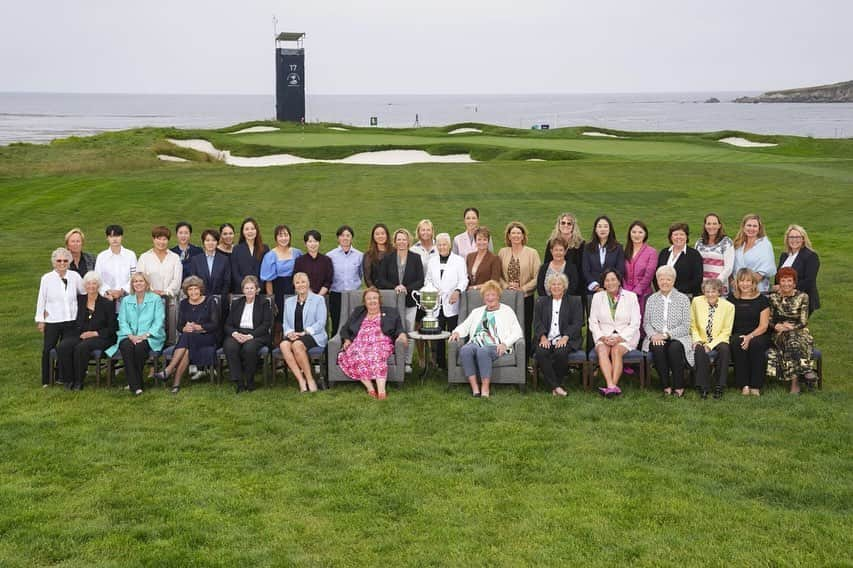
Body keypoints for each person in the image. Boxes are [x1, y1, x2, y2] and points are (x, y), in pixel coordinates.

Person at [449, 280, 524, 398]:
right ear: (483, 298)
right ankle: (475, 388)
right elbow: (465, 325)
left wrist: (505, 343)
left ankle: (485, 387)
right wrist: (457, 332)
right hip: (476, 342)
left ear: (498, 296)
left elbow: (517, 331)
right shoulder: (477, 311)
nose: (490, 298)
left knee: (483, 351)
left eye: (493, 295)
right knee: (465, 350)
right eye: (487, 295)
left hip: (496, 345)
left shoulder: (507, 310)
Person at [337, 287, 408, 400]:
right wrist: (347, 340)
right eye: (369, 299)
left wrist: (402, 335)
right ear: (364, 302)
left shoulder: (391, 312)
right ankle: (370, 388)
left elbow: (399, 328)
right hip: (360, 343)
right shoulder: (358, 312)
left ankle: (381, 391)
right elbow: (344, 329)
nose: (372, 301)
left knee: (377, 355)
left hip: (380, 342)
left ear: (379, 300)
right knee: (354, 355)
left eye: (375, 298)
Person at [153, 276, 220, 394]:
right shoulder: (184, 303)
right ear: (186, 291)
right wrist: (184, 328)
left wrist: (200, 327)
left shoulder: (210, 301)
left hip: (207, 337)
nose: (193, 292)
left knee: (187, 337)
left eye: (196, 288)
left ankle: (168, 370)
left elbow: (215, 324)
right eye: (190, 289)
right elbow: (179, 326)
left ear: (201, 289)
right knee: (188, 347)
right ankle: (176, 383)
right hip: (190, 339)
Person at [106, 272, 166, 396]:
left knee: (139, 348)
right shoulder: (126, 300)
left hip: (150, 336)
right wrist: (130, 335)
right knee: (126, 346)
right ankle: (137, 385)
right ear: (132, 284)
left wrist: (146, 335)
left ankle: (133, 384)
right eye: (135, 281)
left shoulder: (155, 299)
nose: (138, 283)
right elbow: (122, 321)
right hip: (128, 335)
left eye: (141, 281)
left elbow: (159, 320)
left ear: (146, 283)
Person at [56, 271, 117, 390]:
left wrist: (95, 333)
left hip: (101, 337)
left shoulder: (107, 304)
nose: (91, 286)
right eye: (88, 283)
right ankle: (68, 380)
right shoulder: (79, 300)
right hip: (80, 334)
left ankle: (79, 381)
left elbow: (112, 328)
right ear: (84, 286)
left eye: (94, 283)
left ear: (98, 285)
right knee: (64, 346)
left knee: (82, 347)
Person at [377, 228, 424, 371]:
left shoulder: (415, 258)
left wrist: (406, 288)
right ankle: (393, 360)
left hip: (410, 301)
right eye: (399, 239)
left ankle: (407, 362)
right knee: (392, 331)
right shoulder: (387, 258)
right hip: (393, 302)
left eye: (404, 239)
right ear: (395, 241)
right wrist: (395, 287)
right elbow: (381, 279)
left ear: (408, 241)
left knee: (409, 330)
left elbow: (420, 280)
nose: (401, 242)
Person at [35, 248, 84, 387]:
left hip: (71, 320)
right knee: (48, 349)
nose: (62, 263)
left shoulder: (75, 276)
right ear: (54, 262)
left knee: (65, 348)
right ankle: (46, 380)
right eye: (59, 261)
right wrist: (40, 320)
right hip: (53, 321)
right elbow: (41, 300)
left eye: (65, 260)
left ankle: (63, 377)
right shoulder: (46, 278)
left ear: (69, 261)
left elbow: (84, 293)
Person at [588, 269, 641, 398]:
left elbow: (635, 321)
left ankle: (611, 386)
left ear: (619, 281)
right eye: (607, 280)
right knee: (602, 350)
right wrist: (602, 337)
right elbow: (593, 321)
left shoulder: (631, 296)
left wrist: (620, 338)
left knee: (616, 350)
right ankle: (611, 386)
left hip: (625, 336)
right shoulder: (597, 297)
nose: (610, 283)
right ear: (603, 284)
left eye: (613, 279)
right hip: (604, 335)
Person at [643, 266, 693, 397]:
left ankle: (679, 386)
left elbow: (686, 325)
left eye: (668, 279)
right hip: (656, 337)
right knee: (657, 347)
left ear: (674, 281)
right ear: (657, 281)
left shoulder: (683, 299)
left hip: (678, 336)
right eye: (661, 279)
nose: (664, 282)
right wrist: (653, 335)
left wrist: (666, 335)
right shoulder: (651, 299)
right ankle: (666, 385)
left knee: (674, 348)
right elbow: (646, 323)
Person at [767, 267, 818, 394]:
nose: (786, 284)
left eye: (789, 280)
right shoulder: (773, 297)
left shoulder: (803, 297)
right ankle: (806, 370)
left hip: (799, 331)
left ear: (794, 283)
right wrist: (776, 326)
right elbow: (769, 319)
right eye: (783, 280)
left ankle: (795, 384)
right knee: (791, 339)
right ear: (779, 282)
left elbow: (803, 321)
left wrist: (791, 328)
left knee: (793, 339)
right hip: (779, 333)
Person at [533, 273, 583, 396]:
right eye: (553, 284)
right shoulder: (541, 301)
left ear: (564, 286)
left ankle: (555, 385)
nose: (556, 287)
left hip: (566, 338)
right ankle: (557, 386)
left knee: (561, 351)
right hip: (547, 338)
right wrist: (543, 338)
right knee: (541, 351)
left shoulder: (574, 301)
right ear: (549, 287)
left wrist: (565, 337)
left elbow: (577, 323)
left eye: (559, 284)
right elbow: (537, 322)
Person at [498, 221, 541, 361]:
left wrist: (523, 289)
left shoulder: (532, 253)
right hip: (507, 298)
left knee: (525, 329)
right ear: (509, 236)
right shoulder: (502, 252)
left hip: (525, 297)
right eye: (513, 233)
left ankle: (525, 360)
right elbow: (497, 274)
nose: (516, 236)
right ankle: (508, 358)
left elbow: (537, 277)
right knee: (506, 328)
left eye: (519, 233)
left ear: (523, 236)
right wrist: (506, 287)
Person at [425, 233, 468, 369]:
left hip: (452, 302)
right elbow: (428, 279)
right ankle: (440, 364)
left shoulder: (459, 260)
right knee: (438, 335)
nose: (442, 247)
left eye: (444, 244)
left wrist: (457, 291)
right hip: (437, 303)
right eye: (439, 245)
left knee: (453, 333)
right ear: (436, 246)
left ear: (449, 245)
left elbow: (464, 279)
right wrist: (432, 289)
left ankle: (454, 362)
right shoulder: (432, 261)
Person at [280, 272, 328, 393]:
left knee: (297, 345)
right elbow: (285, 322)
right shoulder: (289, 302)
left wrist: (305, 332)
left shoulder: (318, 299)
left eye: (303, 282)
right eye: (297, 282)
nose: (301, 285)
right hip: (294, 334)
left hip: (313, 335)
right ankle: (301, 380)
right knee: (283, 345)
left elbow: (321, 322)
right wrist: (290, 332)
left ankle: (310, 379)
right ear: (294, 285)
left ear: (308, 283)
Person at [223, 275, 272, 393]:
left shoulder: (264, 302)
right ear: (243, 290)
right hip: (238, 332)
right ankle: (239, 381)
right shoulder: (237, 303)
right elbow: (228, 324)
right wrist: (234, 333)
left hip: (257, 334)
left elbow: (266, 325)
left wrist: (251, 336)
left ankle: (249, 381)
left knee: (249, 348)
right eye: (247, 288)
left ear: (257, 289)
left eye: (252, 288)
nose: (249, 291)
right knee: (230, 346)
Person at [727, 268, 771, 396]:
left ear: (753, 283)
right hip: (738, 333)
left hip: (758, 333)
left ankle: (755, 385)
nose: (745, 284)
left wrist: (750, 336)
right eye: (742, 281)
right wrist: (744, 338)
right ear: (737, 283)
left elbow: (764, 326)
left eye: (748, 281)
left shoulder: (762, 300)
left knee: (756, 345)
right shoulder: (731, 299)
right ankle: (744, 384)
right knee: (737, 343)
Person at [691, 278, 734, 399]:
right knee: (699, 350)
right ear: (703, 291)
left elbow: (726, 331)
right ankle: (703, 386)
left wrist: (710, 345)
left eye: (713, 291)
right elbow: (693, 325)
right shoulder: (696, 301)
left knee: (725, 349)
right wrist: (697, 340)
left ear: (719, 292)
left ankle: (720, 386)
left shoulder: (729, 307)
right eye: (707, 291)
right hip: (701, 337)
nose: (710, 294)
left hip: (719, 339)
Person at [327, 225, 363, 334]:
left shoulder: (359, 255)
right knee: (336, 323)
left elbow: (360, 274)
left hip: (353, 294)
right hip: (336, 294)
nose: (345, 238)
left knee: (354, 323)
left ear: (352, 238)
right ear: (338, 238)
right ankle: (335, 348)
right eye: (342, 235)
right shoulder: (330, 255)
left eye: (348, 235)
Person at [776, 224, 820, 314]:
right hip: (783, 299)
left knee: (791, 326)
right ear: (787, 239)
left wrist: (787, 288)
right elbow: (778, 276)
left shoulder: (811, 256)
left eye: (797, 237)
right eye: (791, 237)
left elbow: (809, 281)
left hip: (802, 299)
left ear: (803, 239)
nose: (794, 240)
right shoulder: (784, 255)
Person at [261, 225, 302, 318]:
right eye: (280, 235)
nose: (284, 238)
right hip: (278, 292)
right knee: (279, 320)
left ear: (290, 236)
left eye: (286, 235)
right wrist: (272, 300)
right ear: (276, 238)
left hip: (295, 290)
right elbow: (268, 281)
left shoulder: (297, 253)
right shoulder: (270, 256)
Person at [655, 222, 703, 297]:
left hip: (685, 296)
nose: (678, 237)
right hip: (662, 295)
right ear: (671, 237)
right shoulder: (664, 253)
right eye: (675, 234)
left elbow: (697, 279)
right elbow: (656, 274)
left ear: (686, 236)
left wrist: (675, 291)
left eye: (681, 234)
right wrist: (661, 290)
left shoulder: (694, 255)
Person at [732, 213, 776, 293]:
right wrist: (735, 284)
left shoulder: (765, 245)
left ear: (759, 228)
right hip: (736, 291)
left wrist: (746, 285)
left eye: (755, 226)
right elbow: (730, 266)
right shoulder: (737, 243)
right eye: (749, 225)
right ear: (743, 227)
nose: (751, 228)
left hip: (757, 290)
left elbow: (764, 270)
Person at [582, 215, 625, 295]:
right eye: (599, 226)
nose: (602, 229)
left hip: (612, 290)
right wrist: (596, 287)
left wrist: (608, 286)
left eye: (605, 226)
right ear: (595, 229)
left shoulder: (618, 248)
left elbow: (620, 270)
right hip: (593, 291)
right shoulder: (588, 247)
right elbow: (585, 270)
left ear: (610, 229)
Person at [623, 220, 657, 320]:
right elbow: (620, 272)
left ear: (645, 234)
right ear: (629, 233)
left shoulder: (652, 252)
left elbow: (648, 275)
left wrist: (636, 292)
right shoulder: (624, 250)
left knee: (641, 321)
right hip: (625, 293)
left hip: (643, 294)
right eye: (634, 232)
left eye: (640, 232)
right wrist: (626, 291)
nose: (637, 235)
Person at [543, 213, 584, 294]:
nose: (566, 225)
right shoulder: (551, 242)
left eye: (569, 223)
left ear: (573, 226)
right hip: (554, 286)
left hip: (574, 287)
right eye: (563, 222)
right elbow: (546, 265)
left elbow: (581, 269)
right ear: (559, 224)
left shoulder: (580, 244)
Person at [136, 225, 182, 298]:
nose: (161, 242)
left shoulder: (175, 258)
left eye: (164, 239)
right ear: (153, 239)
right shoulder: (144, 257)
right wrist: (152, 291)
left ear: (168, 240)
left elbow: (177, 280)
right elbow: (139, 279)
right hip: (149, 299)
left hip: (169, 300)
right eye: (159, 239)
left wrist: (166, 292)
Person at [95, 224, 137, 302]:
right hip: (107, 297)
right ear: (107, 238)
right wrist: (108, 291)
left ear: (122, 237)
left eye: (117, 236)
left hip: (127, 297)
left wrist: (122, 291)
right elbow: (98, 278)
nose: (114, 239)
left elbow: (134, 276)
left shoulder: (130, 255)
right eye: (111, 236)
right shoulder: (101, 256)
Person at [695, 213, 734, 295]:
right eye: (708, 224)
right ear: (705, 226)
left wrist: (716, 282)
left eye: (714, 223)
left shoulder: (726, 242)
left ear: (719, 225)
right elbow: (695, 265)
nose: (711, 226)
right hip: (703, 287)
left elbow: (728, 268)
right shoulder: (699, 243)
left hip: (719, 286)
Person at [230, 217, 269, 292]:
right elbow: (235, 272)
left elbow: (266, 271)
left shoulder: (265, 248)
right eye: (247, 229)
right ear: (243, 232)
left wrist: (258, 287)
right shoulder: (236, 249)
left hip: (259, 291)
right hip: (242, 291)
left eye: (252, 228)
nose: (250, 231)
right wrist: (246, 287)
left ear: (256, 231)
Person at [189, 228, 231, 297]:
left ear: (217, 242)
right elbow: (194, 281)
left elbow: (227, 282)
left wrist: (220, 297)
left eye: (213, 240)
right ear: (203, 242)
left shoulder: (224, 260)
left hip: (220, 300)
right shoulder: (196, 260)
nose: (210, 243)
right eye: (207, 240)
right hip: (200, 299)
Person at [293, 230, 333, 296]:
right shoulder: (299, 261)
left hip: (323, 297)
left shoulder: (327, 260)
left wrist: (318, 296)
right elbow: (296, 279)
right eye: (310, 241)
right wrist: (310, 295)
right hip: (305, 296)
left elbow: (328, 281)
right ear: (305, 243)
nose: (313, 244)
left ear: (319, 243)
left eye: (315, 241)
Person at [363, 223, 391, 288]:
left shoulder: (395, 252)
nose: (380, 236)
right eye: (377, 234)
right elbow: (367, 278)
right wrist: (374, 291)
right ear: (373, 236)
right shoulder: (368, 255)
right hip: (375, 292)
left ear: (387, 235)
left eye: (383, 233)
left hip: (394, 290)